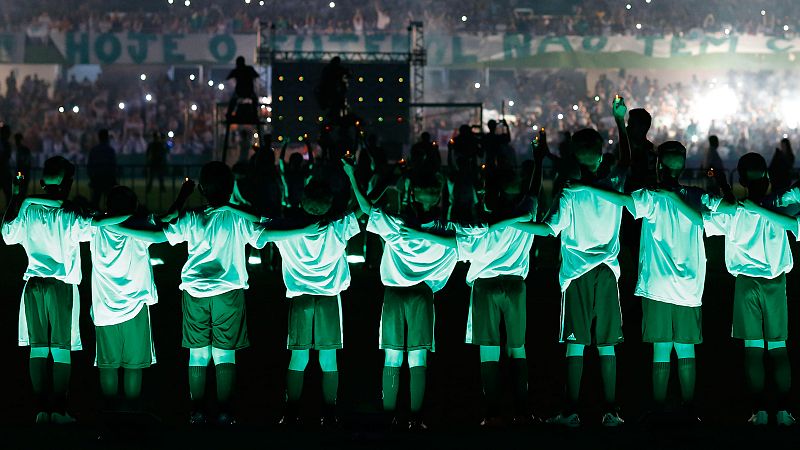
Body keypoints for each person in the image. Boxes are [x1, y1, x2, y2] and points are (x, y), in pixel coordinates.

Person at [514, 98, 631, 428]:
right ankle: (611, 412)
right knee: (607, 345)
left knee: (575, 344)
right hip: (607, 272)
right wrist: (620, 122)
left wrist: (512, 223)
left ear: (573, 156)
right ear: (601, 154)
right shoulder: (614, 186)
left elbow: (548, 229)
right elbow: (627, 161)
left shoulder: (569, 192)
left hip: (576, 273)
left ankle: (571, 411)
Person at [1, 156, 126, 424]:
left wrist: (17, 197)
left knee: (37, 349)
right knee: (61, 349)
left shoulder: (28, 210)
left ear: (43, 181)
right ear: (67, 182)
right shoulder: (69, 213)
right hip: (61, 285)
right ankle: (58, 410)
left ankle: (41, 410)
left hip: (33, 284)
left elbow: (7, 234)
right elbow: (95, 228)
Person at [344, 162, 457, 431]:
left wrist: (352, 176)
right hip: (423, 295)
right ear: (438, 197)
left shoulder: (397, 223)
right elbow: (464, 242)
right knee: (418, 358)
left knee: (392, 357)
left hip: (394, 294)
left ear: (412, 195)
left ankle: (389, 416)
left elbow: (366, 208)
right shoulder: (446, 228)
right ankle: (416, 417)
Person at [630, 142, 734, 419]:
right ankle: (689, 408)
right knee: (686, 348)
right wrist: (722, 182)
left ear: (658, 165)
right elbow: (731, 208)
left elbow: (622, 200)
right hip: (689, 286)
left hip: (656, 285)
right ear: (684, 165)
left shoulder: (651, 195)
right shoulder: (697, 196)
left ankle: (658, 408)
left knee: (661, 350)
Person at [705, 153, 798, 426]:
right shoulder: (779, 205)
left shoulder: (734, 211)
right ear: (766, 176)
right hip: (775, 281)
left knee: (753, 349)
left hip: (745, 283)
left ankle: (758, 411)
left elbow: (706, 217)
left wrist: (720, 186)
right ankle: (784, 411)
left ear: (742, 180)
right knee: (778, 348)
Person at [275, 178, 360, 427]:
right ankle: (329, 413)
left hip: (300, 298)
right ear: (329, 202)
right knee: (329, 359)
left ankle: (291, 412)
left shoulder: (287, 229)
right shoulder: (337, 227)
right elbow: (363, 208)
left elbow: (257, 221)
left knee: (298, 358)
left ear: (302, 201)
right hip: (329, 299)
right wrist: (354, 175)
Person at [88, 129, 118, 209]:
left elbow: (90, 166)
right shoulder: (110, 150)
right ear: (107, 138)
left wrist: (92, 177)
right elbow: (113, 166)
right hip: (108, 179)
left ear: (99, 138)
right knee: (111, 201)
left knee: (95, 201)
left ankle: (94, 214)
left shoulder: (94, 150)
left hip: (97, 179)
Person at [14, 132, 32, 199]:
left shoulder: (22, 150)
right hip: (22, 173)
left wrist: (19, 174)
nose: (16, 141)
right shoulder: (20, 149)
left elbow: (25, 163)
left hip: (22, 173)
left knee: (21, 189)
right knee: (21, 190)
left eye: (17, 139)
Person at [0, 124, 11, 204]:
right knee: (8, 193)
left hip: (4, 171)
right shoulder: (5, 143)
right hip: (3, 171)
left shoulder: (5, 143)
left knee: (8, 193)